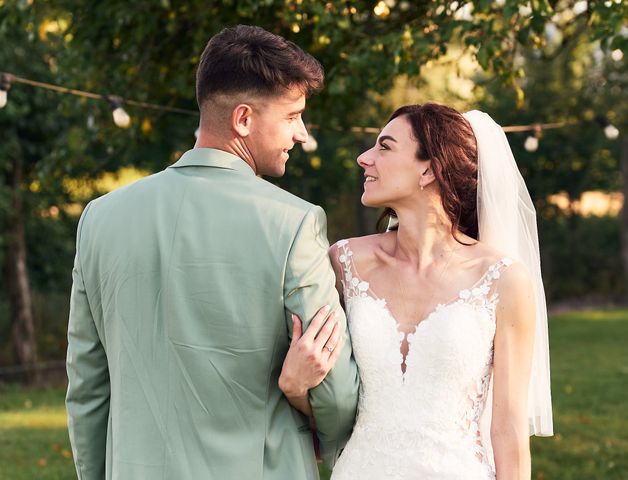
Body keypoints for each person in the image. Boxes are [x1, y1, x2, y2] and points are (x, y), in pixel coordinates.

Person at [65, 25, 359, 480]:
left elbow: (87, 388)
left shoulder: (100, 218)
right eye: (292, 116)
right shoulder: (295, 223)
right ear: (243, 119)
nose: (301, 134)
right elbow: (335, 393)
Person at [279, 103, 553, 479]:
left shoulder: (503, 280)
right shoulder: (344, 263)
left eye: (384, 147)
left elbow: (508, 430)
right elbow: (332, 399)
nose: (364, 158)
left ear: (429, 169)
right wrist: (295, 389)